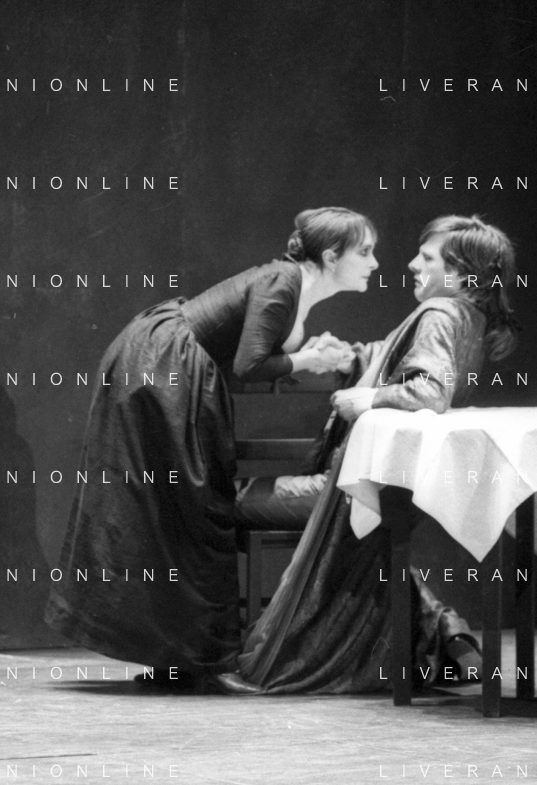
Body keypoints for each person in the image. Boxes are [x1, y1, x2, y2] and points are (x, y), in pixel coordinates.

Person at [44, 207, 378, 694]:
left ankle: (181, 659)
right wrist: (308, 358)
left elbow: (256, 351)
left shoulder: (292, 287)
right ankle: (188, 658)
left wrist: (311, 355)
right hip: (161, 368)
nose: (374, 263)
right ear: (331, 256)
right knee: (177, 511)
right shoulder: (283, 281)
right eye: (364, 252)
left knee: (174, 514)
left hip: (168, 365)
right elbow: (249, 364)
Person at [237, 213, 519, 693]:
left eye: (426, 258)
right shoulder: (467, 317)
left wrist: (365, 398)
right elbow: (396, 361)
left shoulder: (439, 314)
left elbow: (428, 390)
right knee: (383, 553)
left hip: (355, 486)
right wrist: (352, 359)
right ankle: (447, 629)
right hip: (393, 487)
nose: (411, 265)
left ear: (460, 274)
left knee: (223, 502)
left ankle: (202, 641)